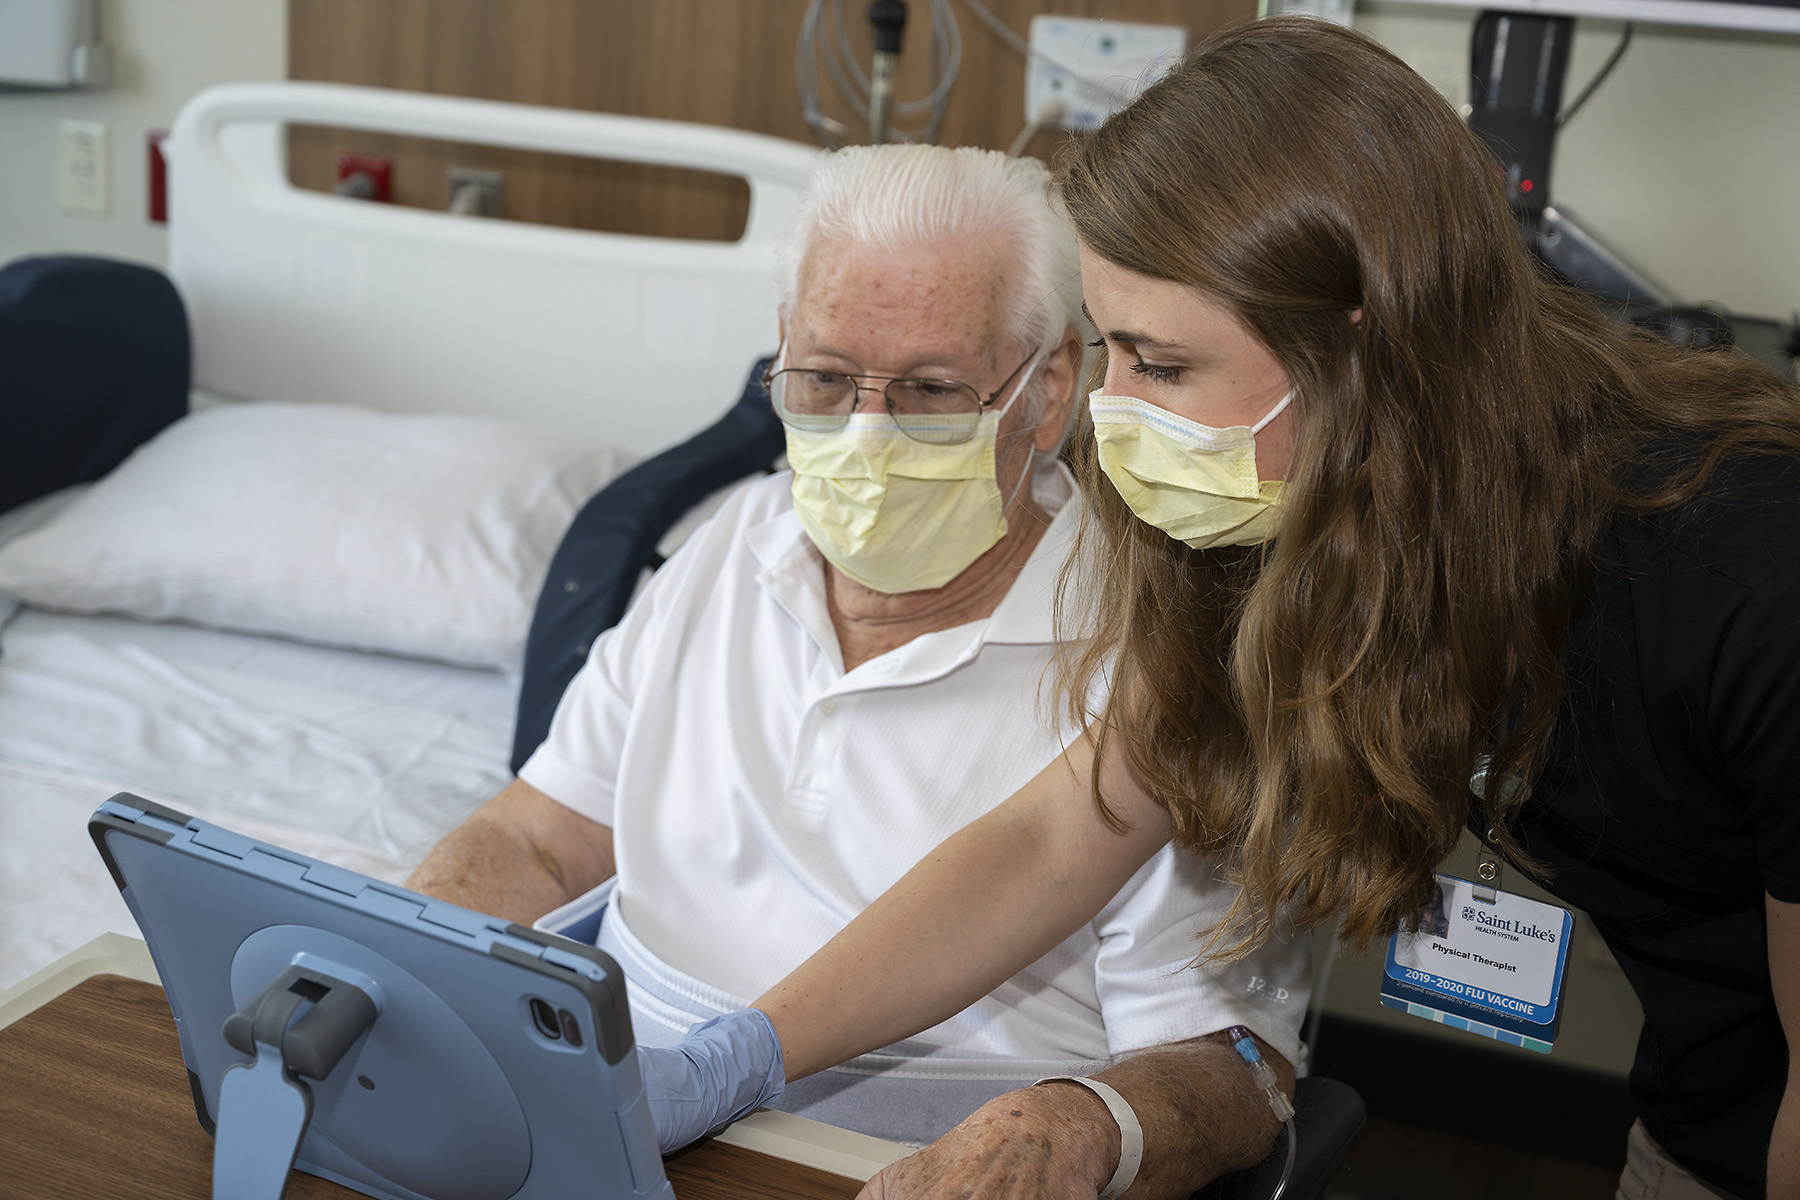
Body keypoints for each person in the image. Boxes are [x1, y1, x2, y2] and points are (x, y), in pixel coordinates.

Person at [669, 19, 1800, 1200]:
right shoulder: (1284, 511)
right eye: (1107, 352)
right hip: (1707, 1102)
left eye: (1159, 366)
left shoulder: (1740, 578)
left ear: (1358, 353)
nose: (1107, 414)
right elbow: (1057, 838)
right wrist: (745, 1054)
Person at [406, 143, 1309, 1191]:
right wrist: (391, 974)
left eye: (929, 390)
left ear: (1049, 389)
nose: (865, 436)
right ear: (781, 348)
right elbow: (539, 837)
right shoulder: (731, 544)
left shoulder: (1162, 646)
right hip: (600, 1140)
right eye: (826, 379)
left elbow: (1232, 1067)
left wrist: (1072, 1131)